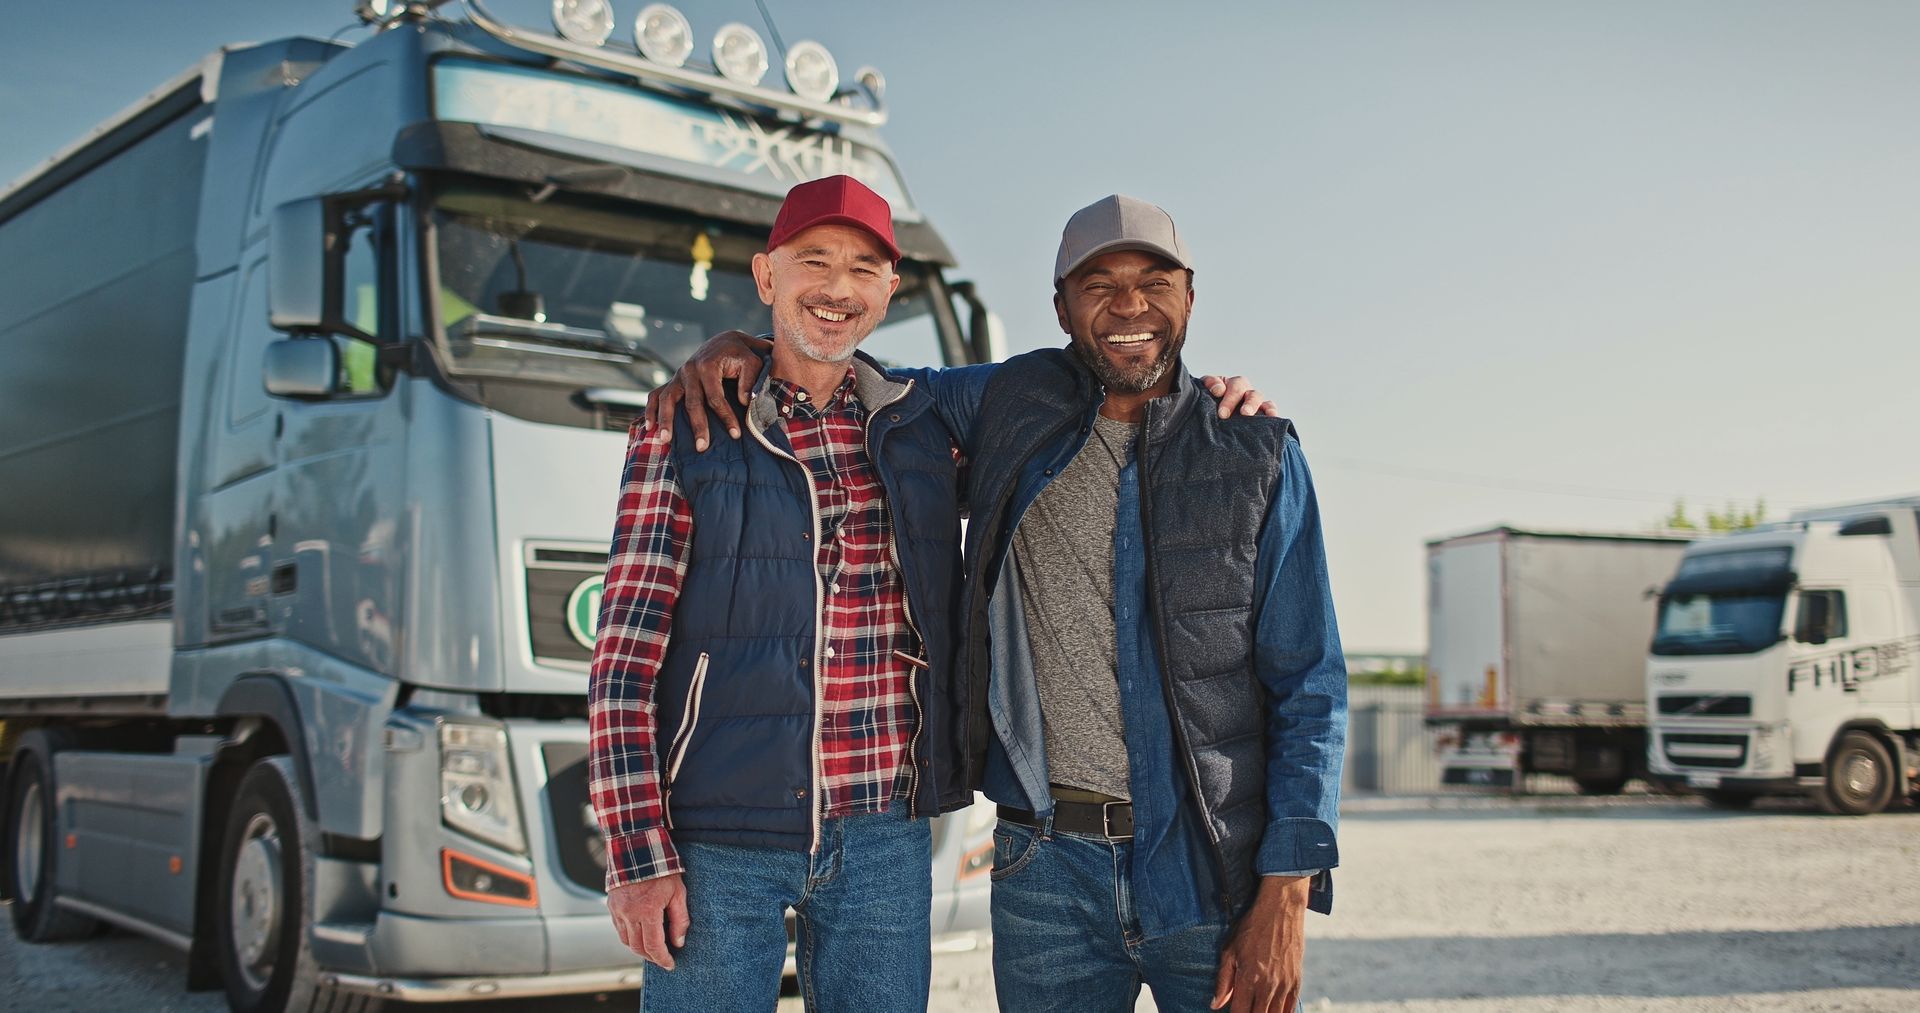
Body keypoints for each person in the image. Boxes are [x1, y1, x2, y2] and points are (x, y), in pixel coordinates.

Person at [650, 194, 1337, 1013]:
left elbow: (1310, 684)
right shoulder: (1010, 403)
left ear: (1190, 295)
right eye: (1098, 284)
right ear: (1060, 306)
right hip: (1042, 868)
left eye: (1154, 281)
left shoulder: (1256, 451)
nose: (1128, 306)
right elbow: (842, 367)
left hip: (1209, 863)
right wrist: (747, 349)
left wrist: (1287, 892)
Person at [586, 174, 971, 1012]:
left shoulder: (923, 431)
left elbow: (1066, 398)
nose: (838, 288)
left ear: (889, 292)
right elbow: (623, 659)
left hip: (884, 836)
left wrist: (1210, 401)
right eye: (815, 261)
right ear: (767, 278)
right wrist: (637, 854)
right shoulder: (684, 428)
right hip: (717, 839)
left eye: (864, 268)